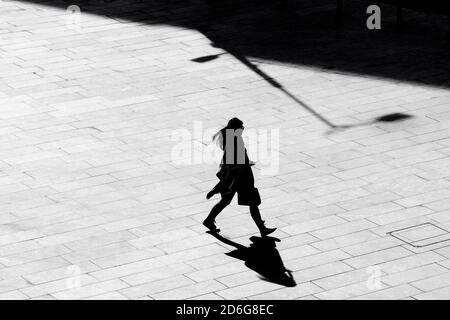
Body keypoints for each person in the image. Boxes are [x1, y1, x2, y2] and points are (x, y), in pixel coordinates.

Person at [203, 118, 276, 236]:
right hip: (241, 179)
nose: (242, 129)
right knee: (252, 203)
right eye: (241, 127)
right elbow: (234, 165)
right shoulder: (234, 141)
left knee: (226, 201)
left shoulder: (233, 138)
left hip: (237, 178)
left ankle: (209, 220)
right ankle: (262, 229)